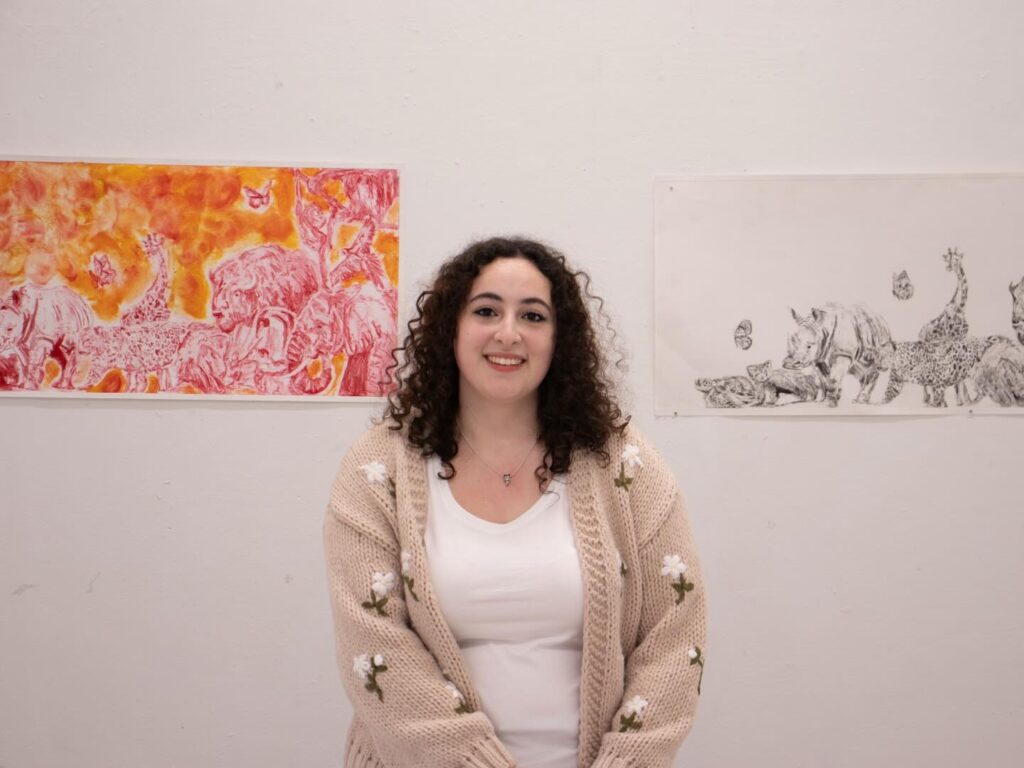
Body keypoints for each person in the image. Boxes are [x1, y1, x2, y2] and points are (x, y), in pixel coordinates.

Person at [324, 237, 706, 768]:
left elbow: (676, 638)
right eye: (486, 311)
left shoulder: (624, 464)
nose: (508, 333)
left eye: (533, 315)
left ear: (559, 339)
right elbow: (375, 649)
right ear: (450, 330)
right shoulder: (377, 470)